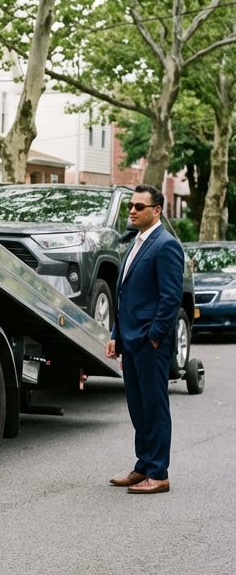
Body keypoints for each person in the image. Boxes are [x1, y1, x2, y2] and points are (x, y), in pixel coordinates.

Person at [105, 183, 185, 494]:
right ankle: (143, 467)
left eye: (140, 206)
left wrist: (154, 338)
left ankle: (159, 474)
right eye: (131, 206)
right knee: (139, 409)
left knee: (154, 409)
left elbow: (171, 298)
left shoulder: (166, 245)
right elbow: (125, 296)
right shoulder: (136, 243)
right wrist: (116, 335)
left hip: (150, 344)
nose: (133, 211)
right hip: (131, 341)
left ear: (157, 210)